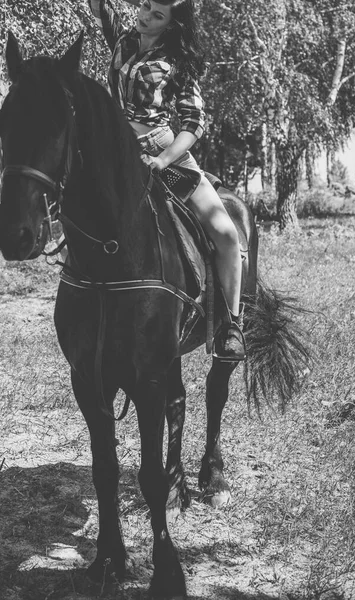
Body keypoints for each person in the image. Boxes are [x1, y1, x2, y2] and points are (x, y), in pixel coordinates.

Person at [87, 0, 245, 361]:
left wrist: (162, 159)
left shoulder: (178, 60)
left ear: (171, 25)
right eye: (144, 7)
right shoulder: (122, 38)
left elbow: (193, 124)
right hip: (112, 153)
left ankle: (232, 325)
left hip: (162, 153)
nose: (145, 16)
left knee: (226, 233)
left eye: (157, 15)